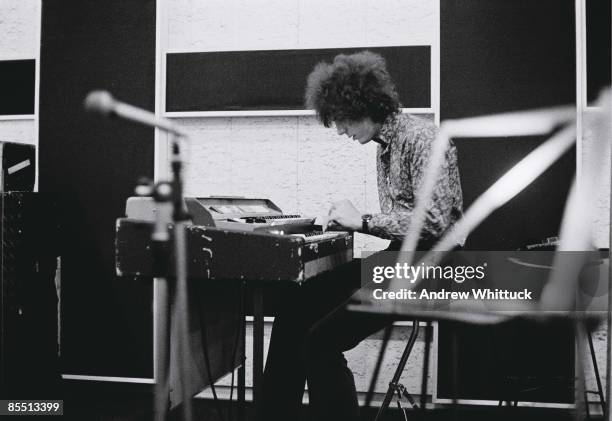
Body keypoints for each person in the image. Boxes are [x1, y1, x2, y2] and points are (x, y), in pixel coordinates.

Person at [262, 51, 463, 420]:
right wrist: (353, 222)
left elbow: (434, 221)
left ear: (363, 106)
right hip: (401, 255)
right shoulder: (384, 145)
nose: (339, 130)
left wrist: (364, 221)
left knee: (321, 340)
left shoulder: (424, 138)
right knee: (295, 308)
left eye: (340, 120)